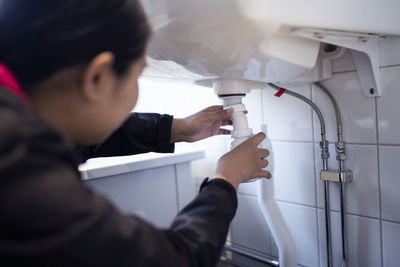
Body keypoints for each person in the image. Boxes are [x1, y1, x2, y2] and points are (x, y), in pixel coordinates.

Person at [0, 0, 271, 266]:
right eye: (137, 75)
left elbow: (77, 138)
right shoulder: (21, 172)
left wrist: (175, 130)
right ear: (98, 77)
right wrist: (226, 179)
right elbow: (173, 260)